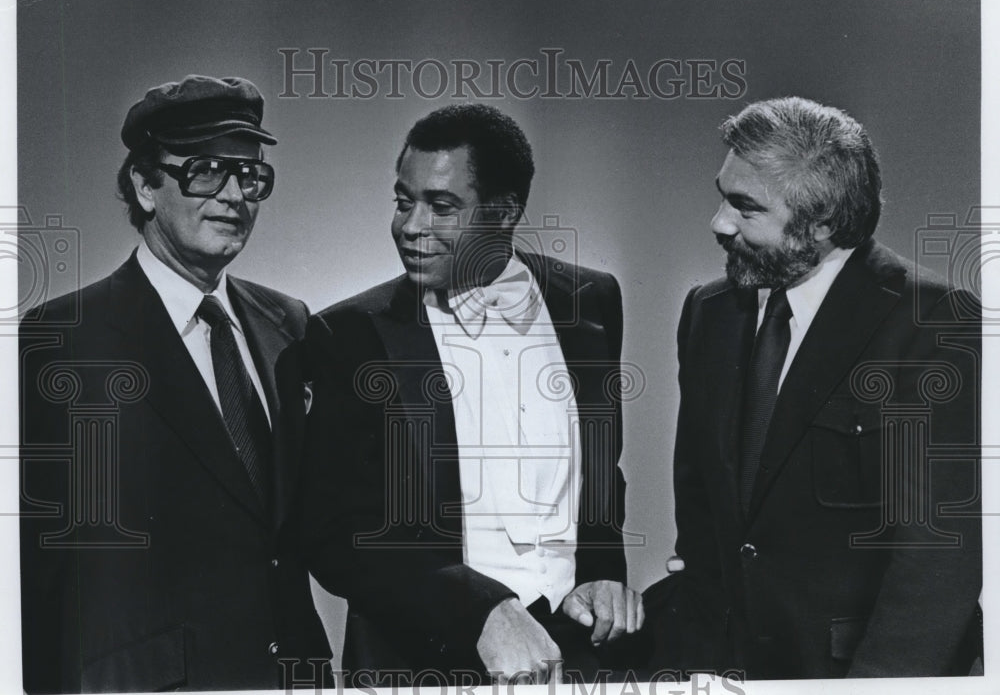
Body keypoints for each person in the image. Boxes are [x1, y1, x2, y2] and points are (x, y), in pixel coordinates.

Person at [301, 103, 643, 685]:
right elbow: (333, 533)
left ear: (506, 212)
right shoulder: (349, 334)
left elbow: (599, 468)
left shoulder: (592, 299)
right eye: (403, 201)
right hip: (423, 663)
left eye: (441, 206)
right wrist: (481, 610)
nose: (411, 227)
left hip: (581, 657)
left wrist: (603, 574)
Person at [646, 96, 982, 679]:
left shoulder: (934, 324)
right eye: (722, 195)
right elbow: (701, 513)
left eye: (745, 208)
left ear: (823, 223)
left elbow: (936, 560)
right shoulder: (708, 311)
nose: (718, 223)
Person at [19, 75, 331, 692]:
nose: (234, 195)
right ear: (144, 184)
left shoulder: (287, 323)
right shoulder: (63, 337)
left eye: (250, 176)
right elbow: (36, 563)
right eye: (206, 171)